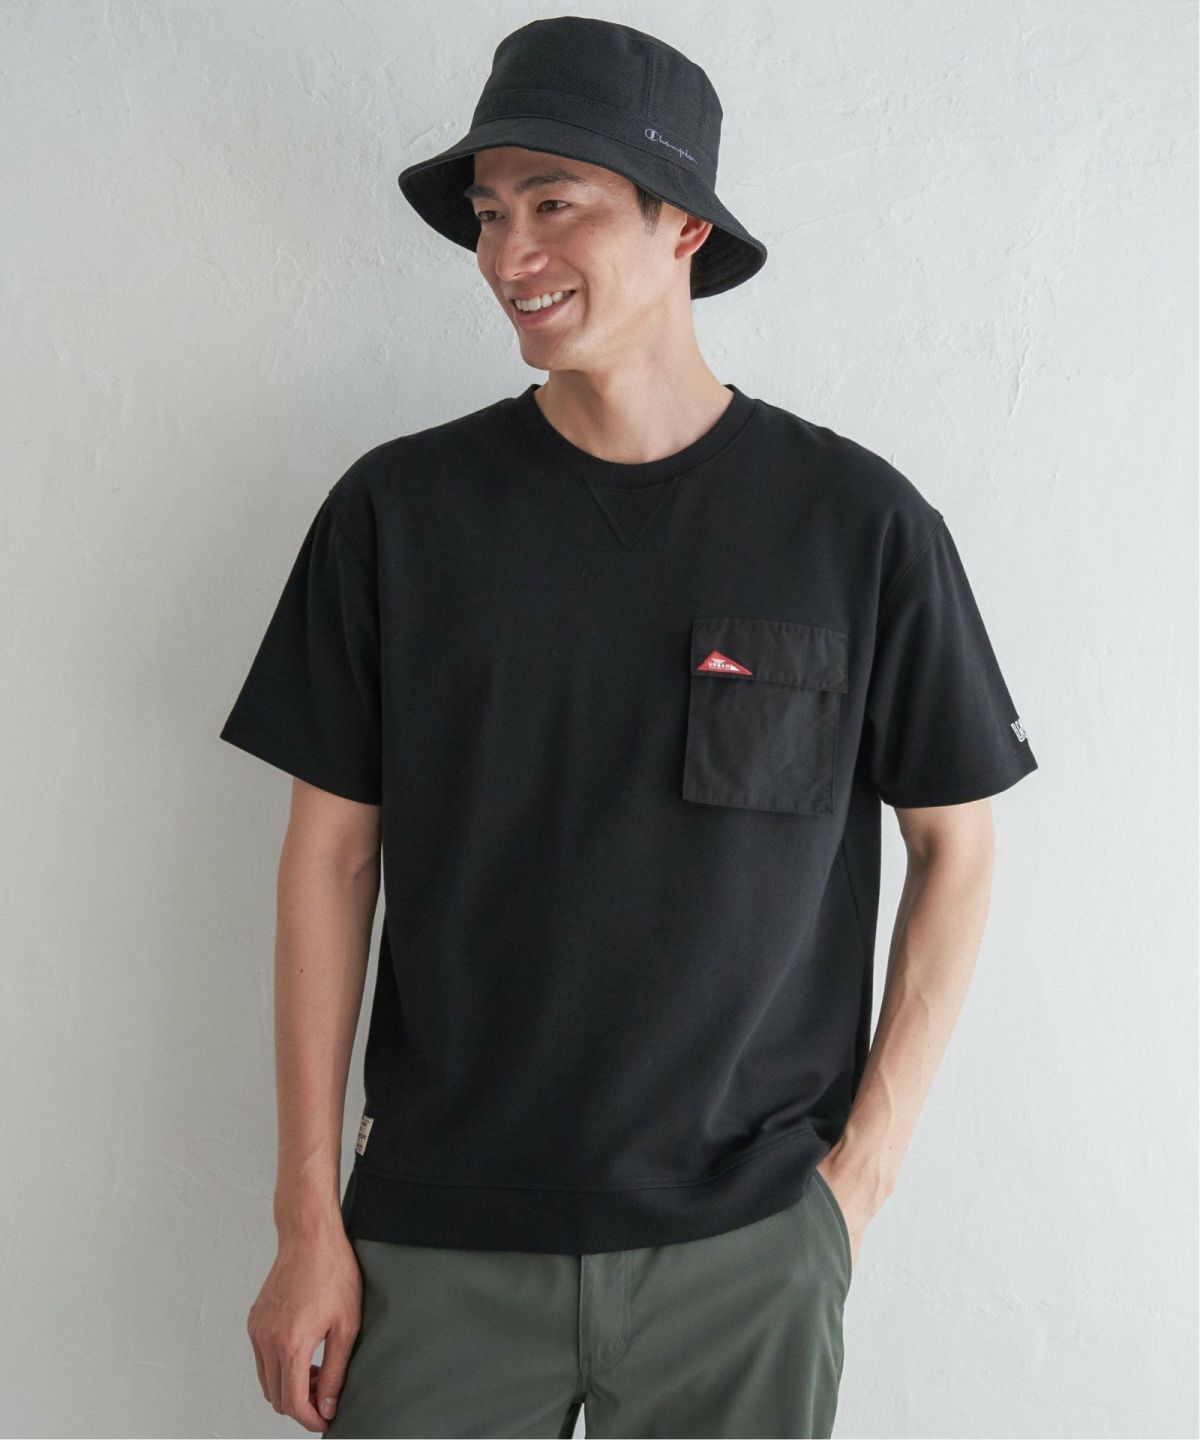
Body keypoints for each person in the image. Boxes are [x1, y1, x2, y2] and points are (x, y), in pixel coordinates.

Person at [219, 16, 1039, 1439]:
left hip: (745, 1247)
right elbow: (330, 860)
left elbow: (954, 848)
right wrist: (305, 1215)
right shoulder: (399, 515)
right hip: (435, 1237)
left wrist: (857, 1184)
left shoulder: (857, 526)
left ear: (684, 228)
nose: (509, 254)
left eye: (557, 203)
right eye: (490, 214)